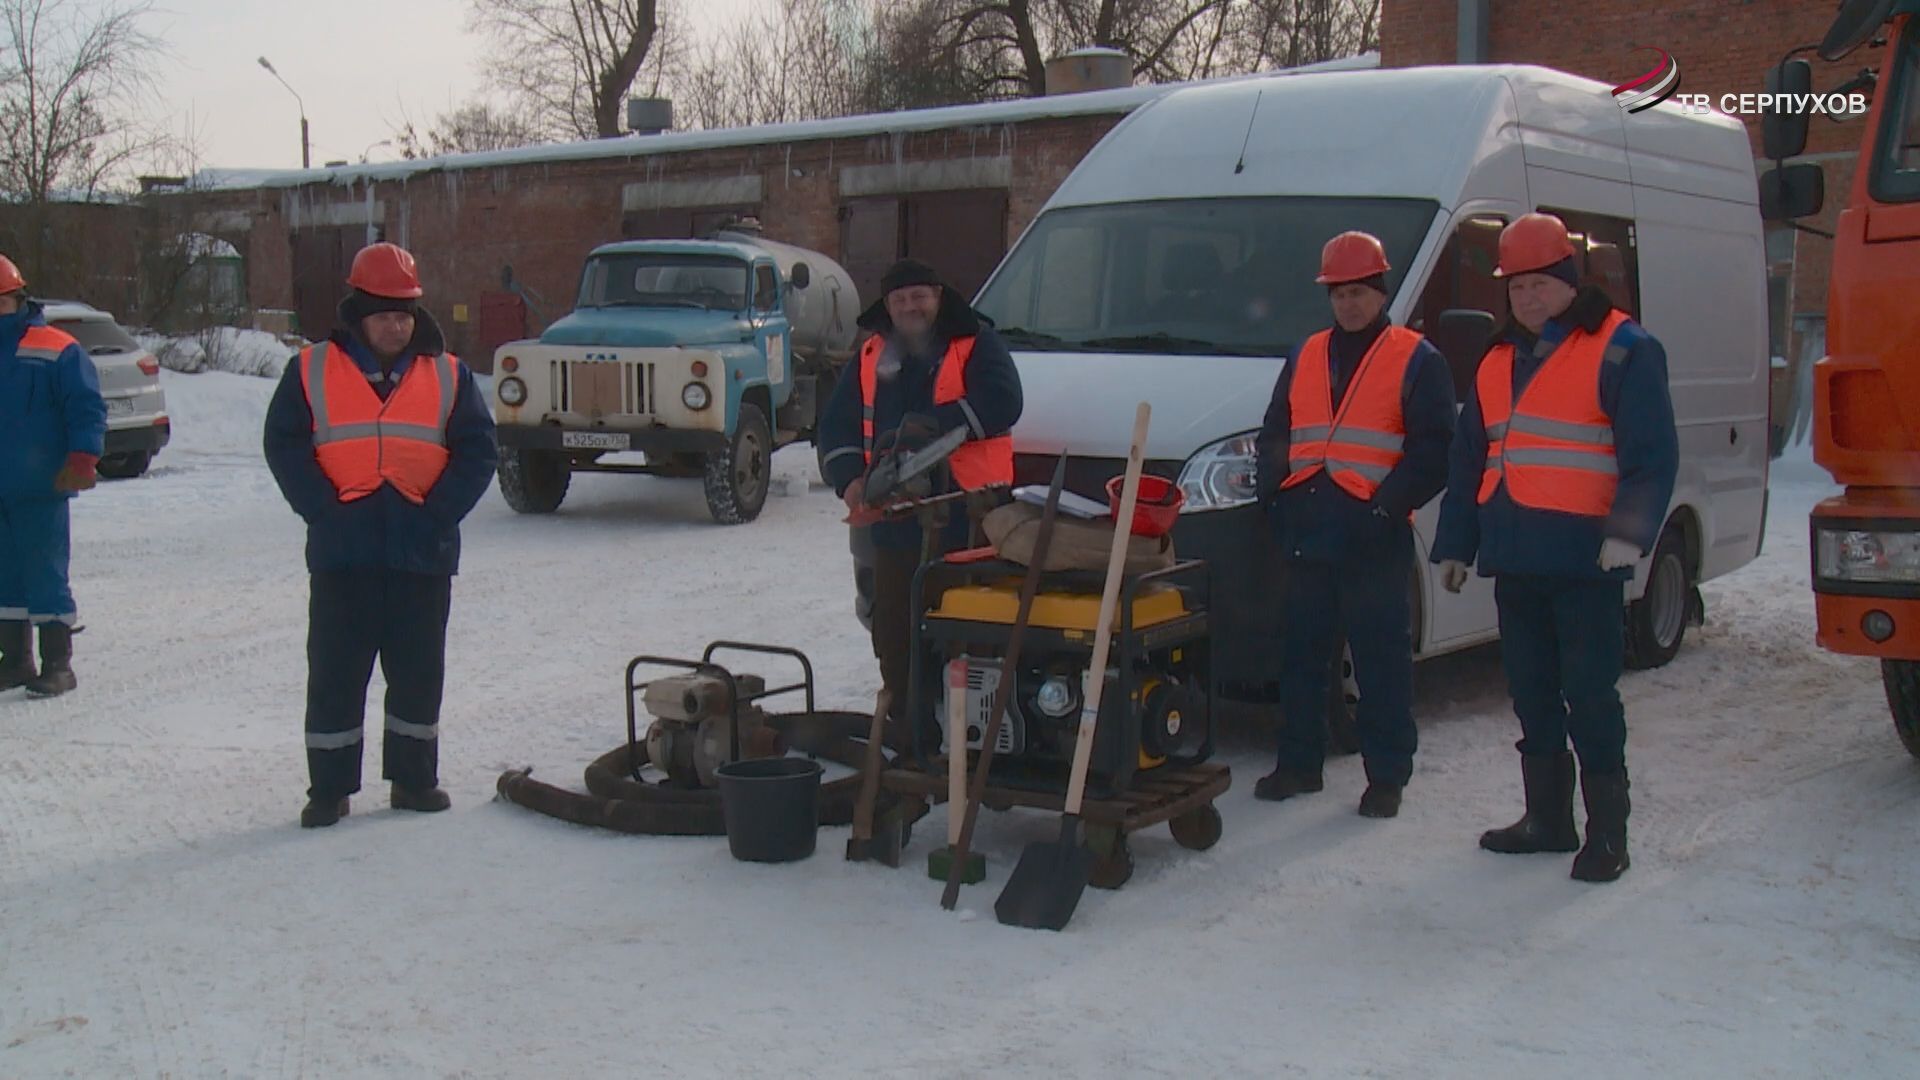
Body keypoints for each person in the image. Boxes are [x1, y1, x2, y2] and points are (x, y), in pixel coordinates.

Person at [1431, 211, 1678, 883]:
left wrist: (1628, 537)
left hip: (1584, 562)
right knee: (1533, 696)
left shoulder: (1624, 348)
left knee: (1590, 698)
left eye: (1540, 284)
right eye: (1517, 288)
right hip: (1516, 558)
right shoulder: (1498, 359)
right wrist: (1456, 543)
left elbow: (1651, 458)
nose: (1529, 298)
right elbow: (1470, 459)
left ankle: (1607, 836)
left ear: (1571, 280)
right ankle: (1548, 820)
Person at [264, 242, 498, 828]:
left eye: (404, 313)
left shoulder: (449, 374)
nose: (395, 325)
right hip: (344, 553)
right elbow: (284, 444)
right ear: (357, 314)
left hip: (422, 552)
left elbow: (478, 451)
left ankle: (415, 781)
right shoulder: (311, 369)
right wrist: (322, 509)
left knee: (418, 674)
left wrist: (438, 514)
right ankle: (329, 789)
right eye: (383, 313)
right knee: (336, 674)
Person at [1252, 232, 1456, 817]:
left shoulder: (1417, 358)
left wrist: (1386, 507)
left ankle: (1386, 777)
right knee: (1301, 656)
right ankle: (1299, 765)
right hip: (1309, 524)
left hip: (1373, 532)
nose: (1348, 304)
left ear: (1381, 292)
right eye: (1339, 293)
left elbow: (1433, 451)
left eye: (1359, 292)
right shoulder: (1307, 353)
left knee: (1381, 662)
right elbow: (1276, 433)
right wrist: (1276, 496)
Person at [816, 259, 1023, 753]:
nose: (910, 306)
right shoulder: (870, 355)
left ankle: (977, 740)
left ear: (938, 297)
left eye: (919, 296)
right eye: (900, 299)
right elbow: (836, 426)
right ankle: (913, 732)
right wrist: (849, 481)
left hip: (970, 519)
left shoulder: (975, 342)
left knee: (970, 631)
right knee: (896, 629)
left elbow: (1004, 400)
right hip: (895, 522)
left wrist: (939, 424)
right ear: (888, 306)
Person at [0, 254, 107, 698]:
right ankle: (16, 660)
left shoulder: (56, 347)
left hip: (43, 485)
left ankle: (58, 664)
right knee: (4, 575)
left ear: (15, 298)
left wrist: (84, 457)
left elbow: (86, 407)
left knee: (44, 572)